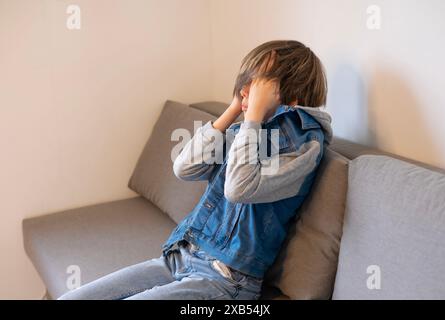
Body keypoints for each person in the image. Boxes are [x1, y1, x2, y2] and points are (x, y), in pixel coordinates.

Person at [58, 40, 333, 300]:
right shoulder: (246, 130)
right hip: (180, 255)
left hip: (225, 280)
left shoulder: (304, 145)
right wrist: (234, 110)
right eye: (245, 82)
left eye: (258, 84)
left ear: (292, 97)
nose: (247, 90)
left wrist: (252, 118)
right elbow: (185, 168)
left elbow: (239, 188)